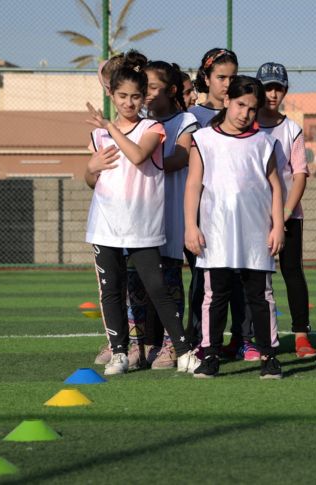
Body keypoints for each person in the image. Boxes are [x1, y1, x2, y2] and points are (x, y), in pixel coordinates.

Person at [83, 50, 200, 376]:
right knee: (111, 290)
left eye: (136, 96)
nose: (129, 102)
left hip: (143, 225)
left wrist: (110, 125)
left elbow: (136, 156)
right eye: (122, 96)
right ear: (112, 95)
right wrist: (90, 167)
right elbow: (92, 179)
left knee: (156, 286)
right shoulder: (98, 136)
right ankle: (119, 352)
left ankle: (183, 350)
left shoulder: (152, 128)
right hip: (105, 224)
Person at [184, 75, 285, 379]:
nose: (245, 113)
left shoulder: (264, 143)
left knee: (261, 295)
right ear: (227, 100)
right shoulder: (204, 140)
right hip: (216, 233)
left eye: (252, 109)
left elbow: (276, 187)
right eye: (240, 105)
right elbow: (192, 186)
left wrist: (278, 225)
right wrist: (191, 225)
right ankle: (210, 354)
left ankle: (269, 356)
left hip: (256, 234)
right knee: (215, 296)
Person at [187, 48, 257, 361]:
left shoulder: (245, 115)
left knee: (243, 279)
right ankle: (201, 343)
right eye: (220, 77)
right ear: (206, 78)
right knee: (204, 283)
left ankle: (244, 339)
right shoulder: (194, 118)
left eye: (232, 76)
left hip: (241, 214)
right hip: (206, 214)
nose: (227, 83)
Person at [255, 62, 316, 359]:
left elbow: (300, 174)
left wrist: (286, 211)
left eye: (278, 87)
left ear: (285, 91)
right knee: (251, 277)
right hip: (252, 215)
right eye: (267, 87)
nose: (272, 93)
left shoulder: (291, 128)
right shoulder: (247, 124)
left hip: (289, 214)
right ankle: (248, 337)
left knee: (292, 272)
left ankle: (301, 335)